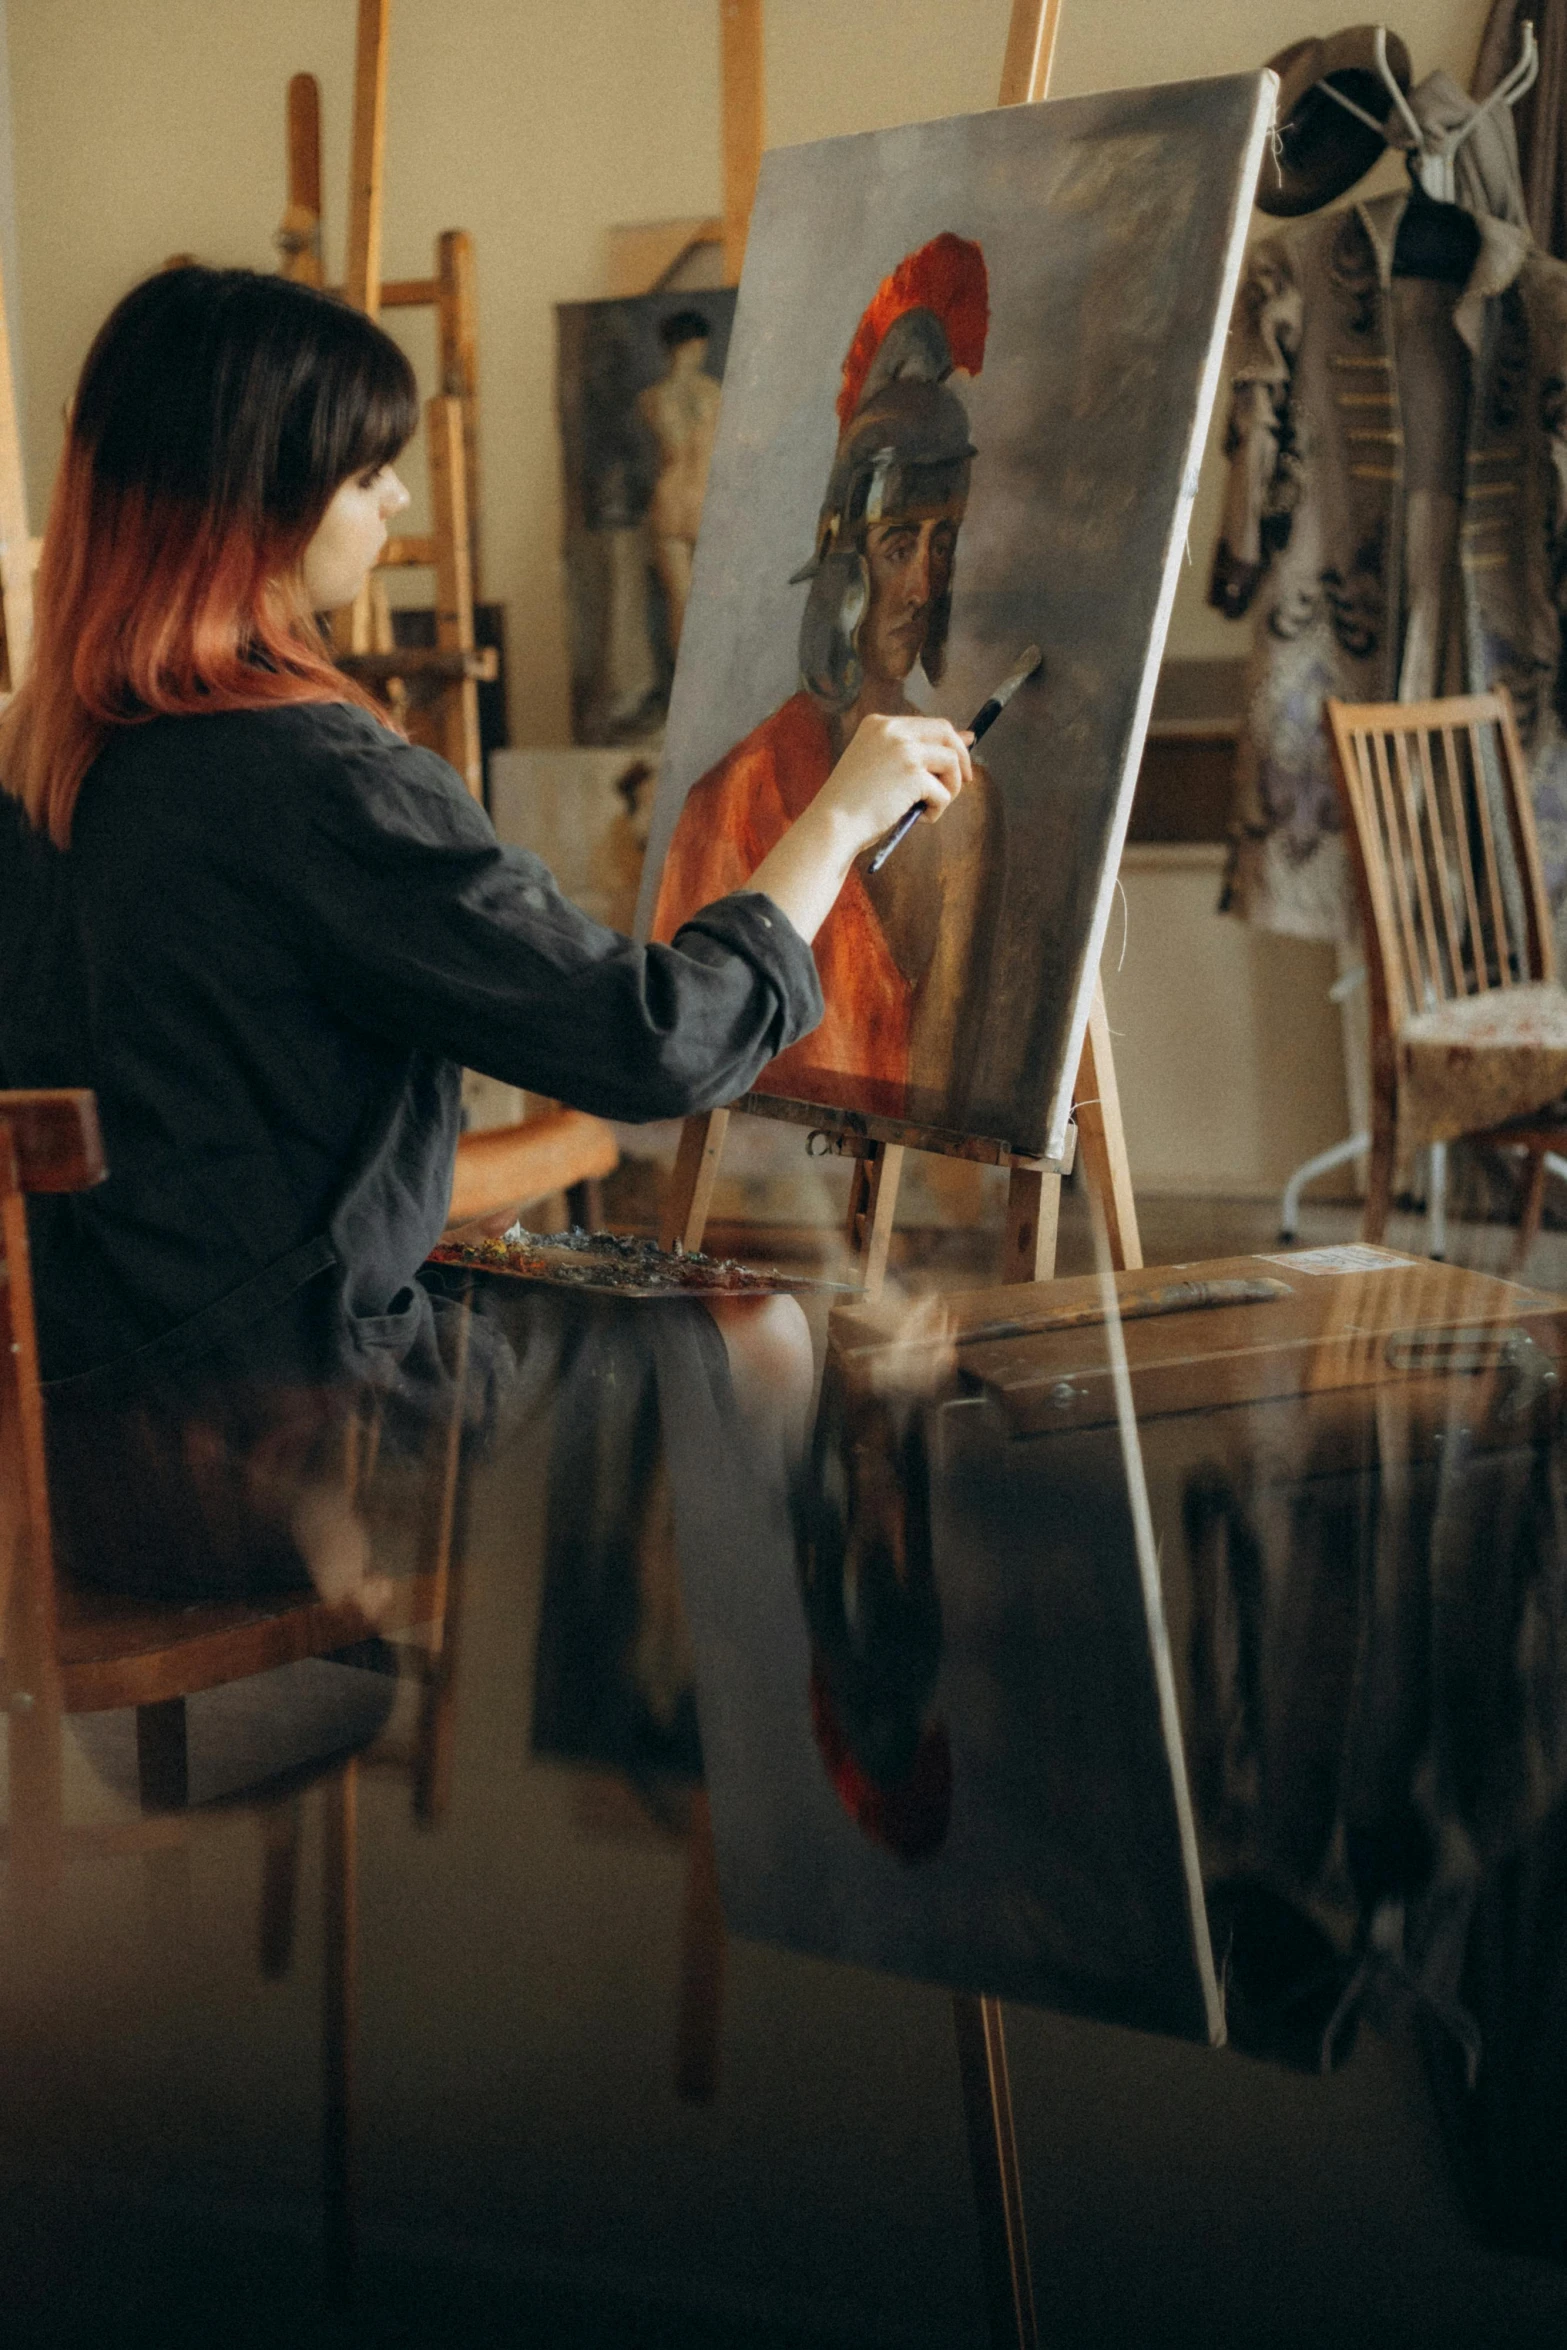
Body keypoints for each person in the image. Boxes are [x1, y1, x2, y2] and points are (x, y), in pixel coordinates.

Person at [0, 265, 972, 1413]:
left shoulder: (43, 760)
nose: (399, 501)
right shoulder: (317, 781)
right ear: (255, 505)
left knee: (555, 1288)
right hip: (287, 1445)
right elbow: (658, 1042)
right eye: (367, 474)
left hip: (74, 1425)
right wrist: (843, 815)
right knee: (766, 1338)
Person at [651, 233, 1003, 1125]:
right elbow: (684, 1053)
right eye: (896, 546)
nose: (923, 584)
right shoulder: (729, 799)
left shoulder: (972, 806)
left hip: (922, 1246)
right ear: (845, 562)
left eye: (942, 547)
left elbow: (945, 1105)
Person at [635, 307, 722, 659]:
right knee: (683, 600)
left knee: (702, 601)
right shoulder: (655, 399)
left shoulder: (712, 394)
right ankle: (684, 690)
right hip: (677, 506)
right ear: (690, 346)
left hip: (700, 505)